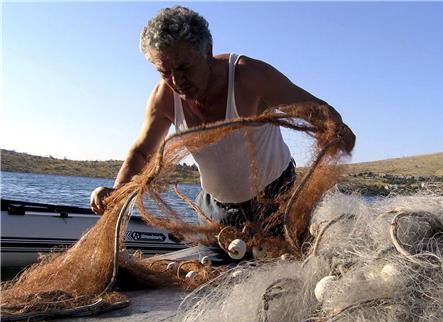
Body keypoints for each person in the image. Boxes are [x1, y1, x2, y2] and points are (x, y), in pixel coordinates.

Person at [90, 6, 355, 260]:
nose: (176, 80)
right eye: (164, 72)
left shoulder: (248, 76)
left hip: (279, 204)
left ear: (207, 51)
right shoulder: (164, 98)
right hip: (218, 215)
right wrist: (116, 192)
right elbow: (142, 151)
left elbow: (319, 111)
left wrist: (336, 130)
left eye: (184, 68)